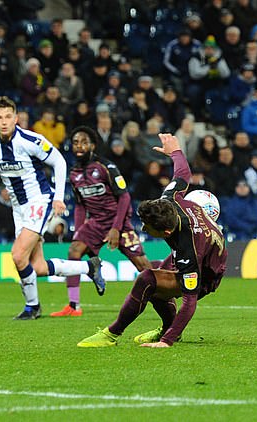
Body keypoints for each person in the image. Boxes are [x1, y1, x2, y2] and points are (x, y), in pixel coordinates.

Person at [77, 133, 227, 348]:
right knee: (155, 271)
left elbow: (189, 302)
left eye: (149, 228)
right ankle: (168, 328)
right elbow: (183, 173)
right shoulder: (169, 198)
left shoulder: (189, 247)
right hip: (202, 250)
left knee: (148, 279)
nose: (145, 230)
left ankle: (113, 334)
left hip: (208, 272)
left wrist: (166, 343)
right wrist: (175, 151)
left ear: (166, 232)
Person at [0, 96, 105, 320]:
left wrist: (59, 197)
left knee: (18, 255)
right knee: (38, 267)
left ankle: (33, 307)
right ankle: (89, 268)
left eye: (8, 117)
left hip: (39, 201)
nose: (4, 122)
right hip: (18, 207)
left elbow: (59, 162)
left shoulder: (30, 140)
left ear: (16, 118)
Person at [51, 126, 152, 317]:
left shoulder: (106, 167)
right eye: (75, 142)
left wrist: (116, 228)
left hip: (118, 221)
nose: (79, 146)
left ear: (93, 145)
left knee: (142, 266)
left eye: (84, 142)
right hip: (96, 223)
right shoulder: (73, 174)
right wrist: (79, 231)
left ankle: (170, 275)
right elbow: (80, 205)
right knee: (74, 250)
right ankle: (73, 306)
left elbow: (124, 198)